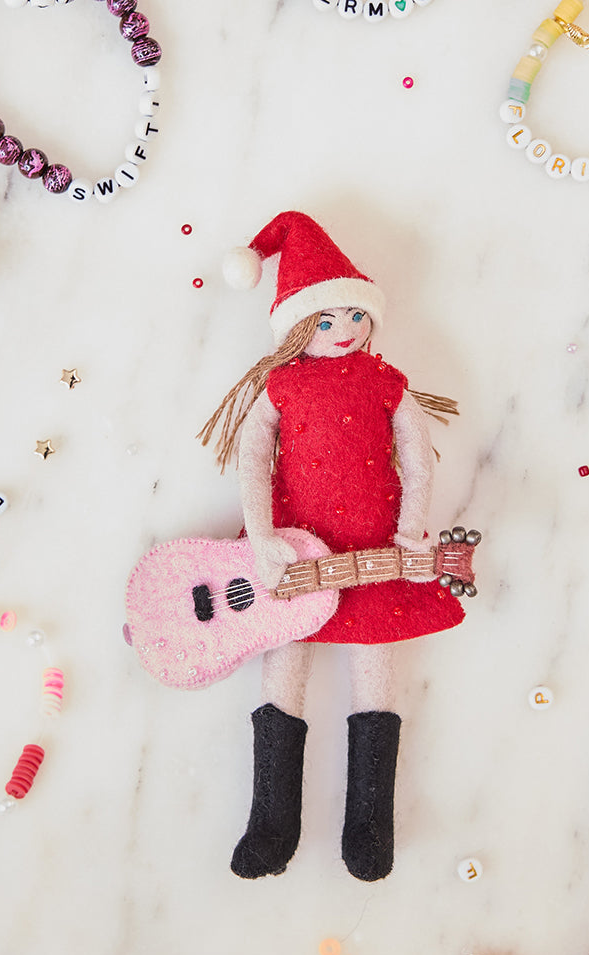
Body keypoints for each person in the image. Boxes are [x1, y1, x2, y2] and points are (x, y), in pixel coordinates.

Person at [199, 211, 464, 881]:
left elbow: (417, 452)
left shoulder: (385, 381)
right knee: (283, 671)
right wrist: (259, 535)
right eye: (325, 321)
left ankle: (371, 826)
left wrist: (413, 522)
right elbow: (252, 462)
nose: (345, 331)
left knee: (377, 680)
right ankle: (272, 821)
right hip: (293, 552)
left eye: (354, 316)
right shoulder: (281, 386)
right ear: (296, 328)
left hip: (376, 549)